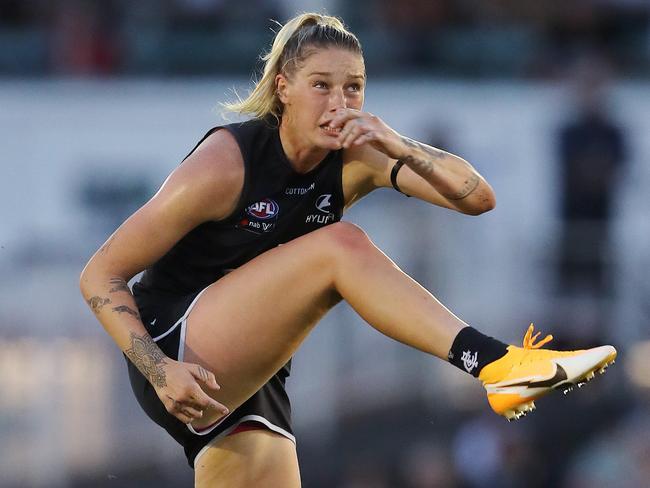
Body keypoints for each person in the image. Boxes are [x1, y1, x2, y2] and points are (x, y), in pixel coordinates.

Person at [80, 13, 617, 487]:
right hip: (173, 349)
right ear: (283, 87)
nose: (340, 103)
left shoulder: (360, 154)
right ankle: (497, 364)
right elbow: (100, 276)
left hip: (249, 378)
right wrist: (157, 370)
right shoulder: (226, 163)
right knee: (339, 246)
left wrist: (396, 143)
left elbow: (477, 198)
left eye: (354, 88)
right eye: (322, 85)